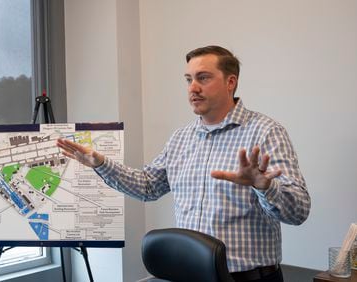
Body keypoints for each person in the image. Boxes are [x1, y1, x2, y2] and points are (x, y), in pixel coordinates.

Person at [57, 45, 310, 282]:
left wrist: (264, 186)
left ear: (230, 82)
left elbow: (298, 211)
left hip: (247, 278)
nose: (193, 88)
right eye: (188, 79)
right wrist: (100, 163)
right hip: (188, 276)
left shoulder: (266, 133)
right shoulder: (181, 138)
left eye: (203, 78)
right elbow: (148, 186)